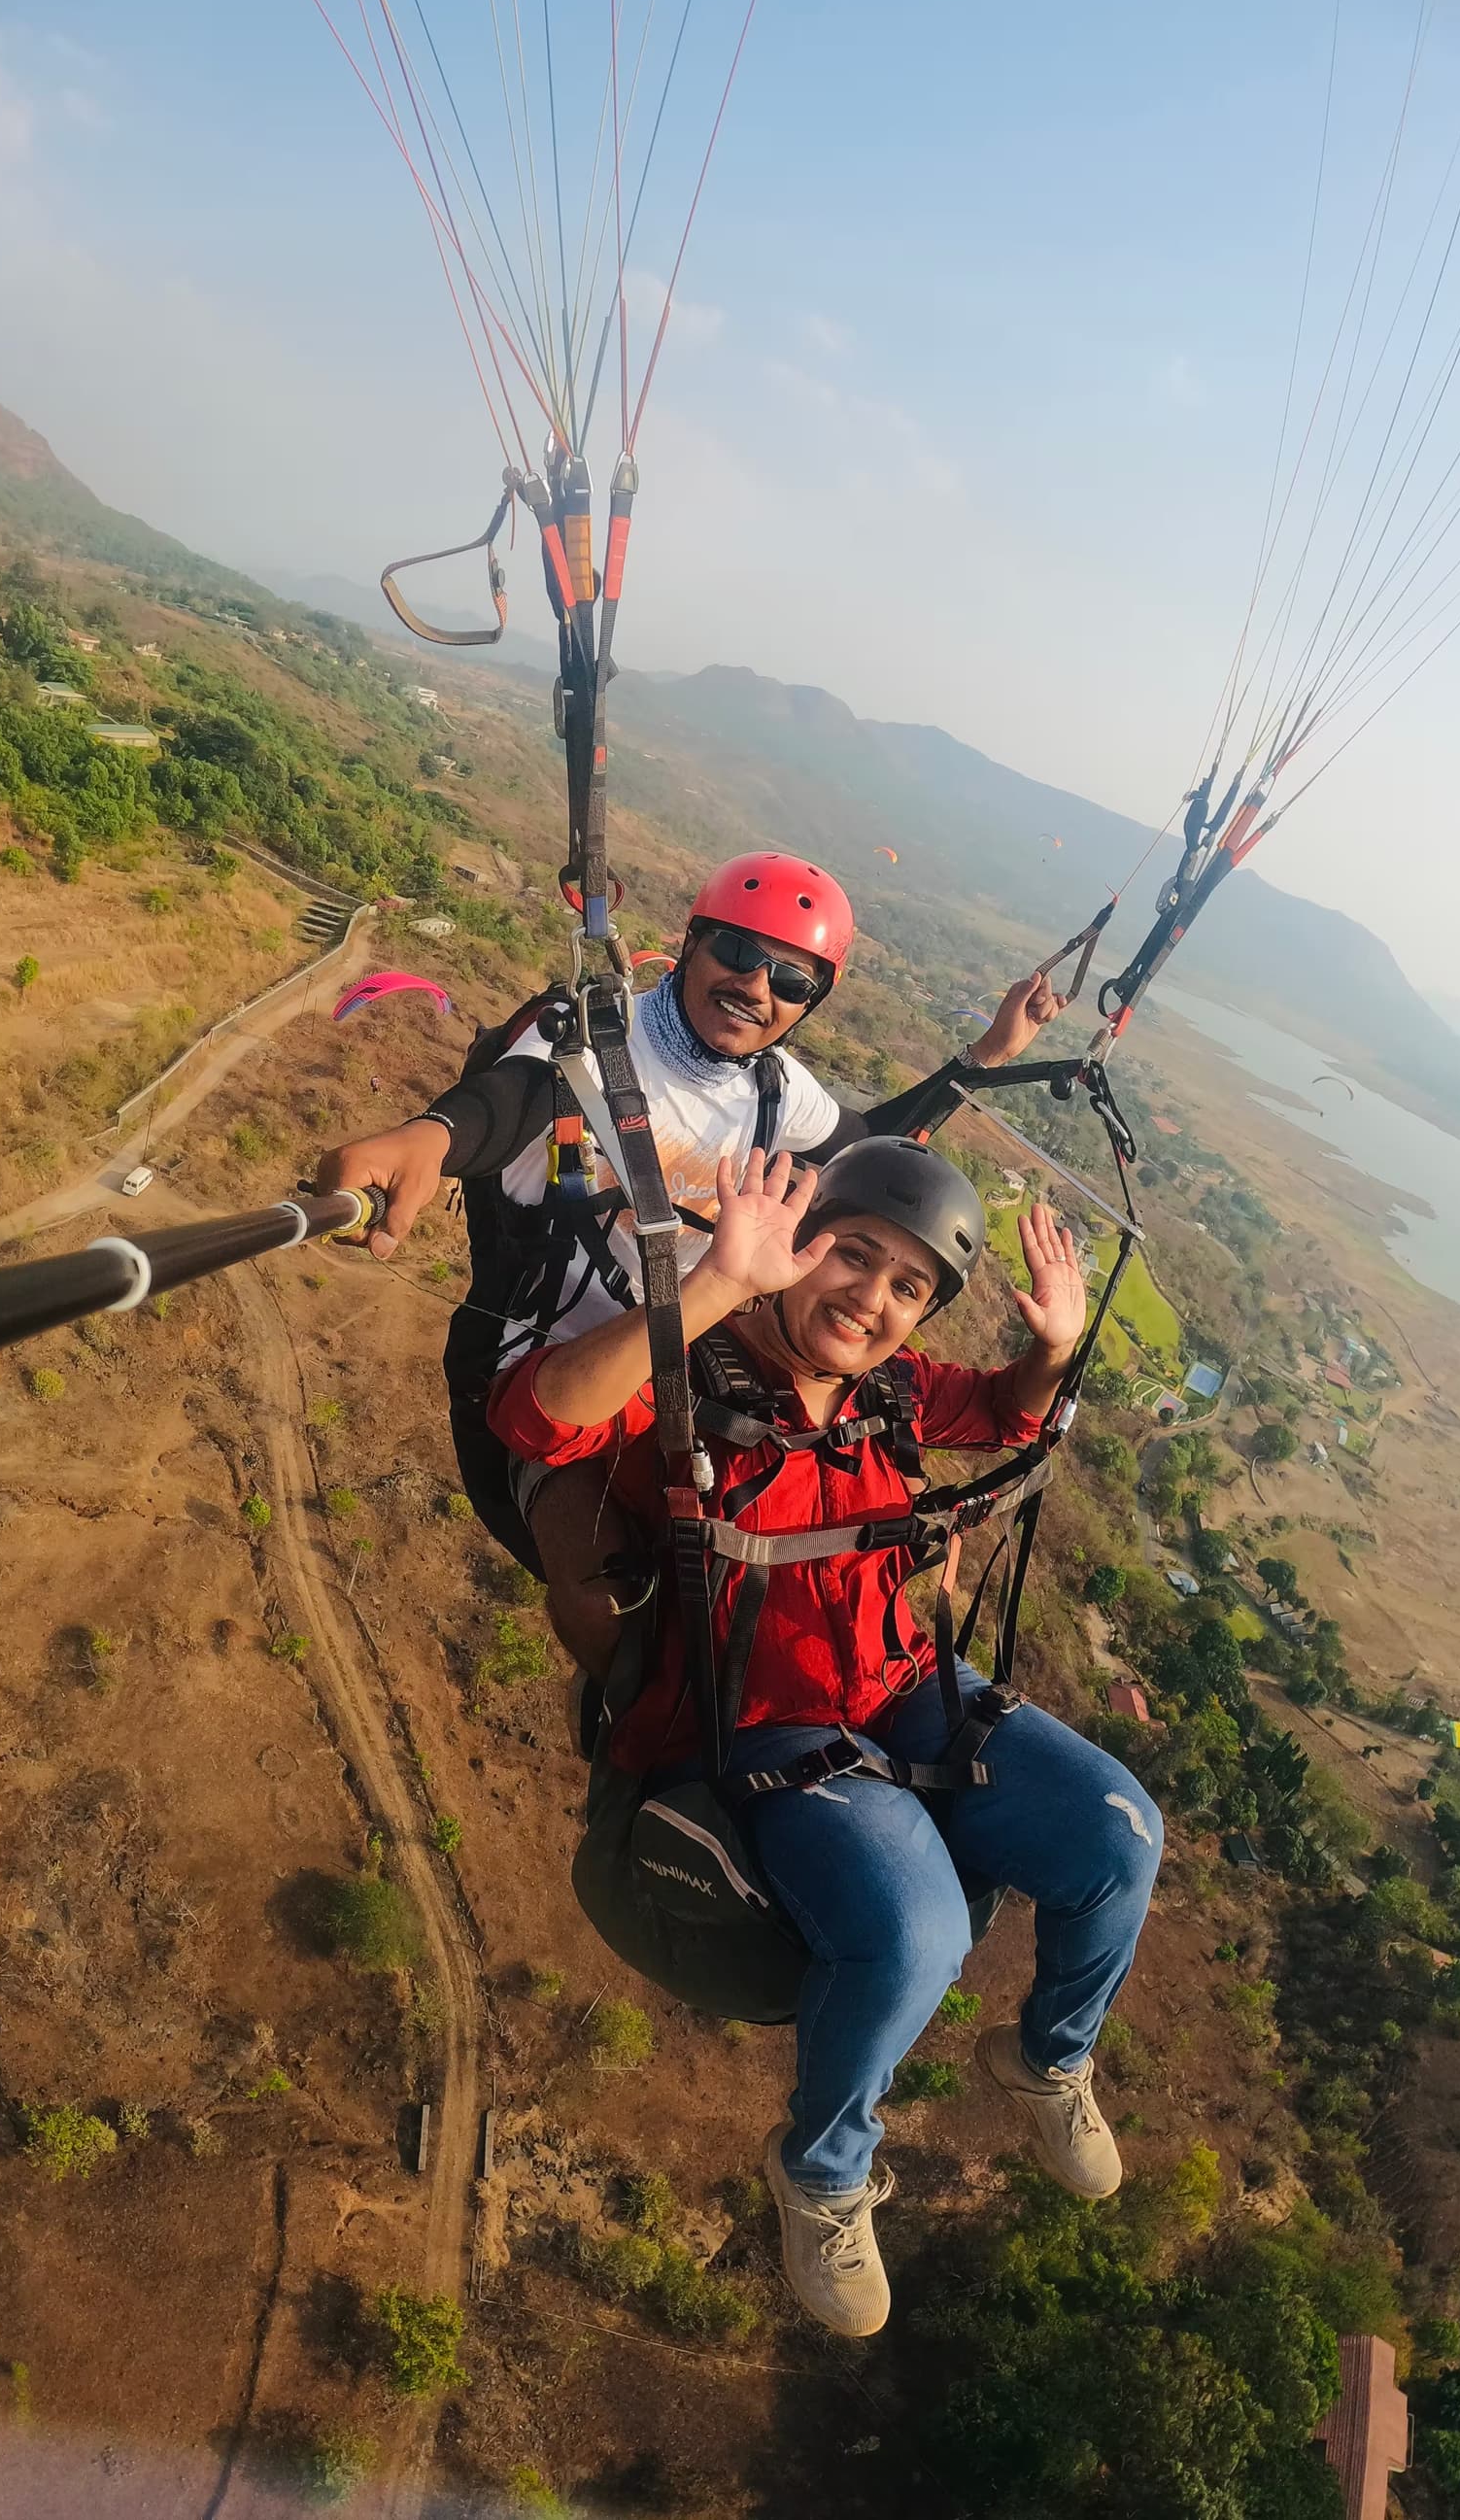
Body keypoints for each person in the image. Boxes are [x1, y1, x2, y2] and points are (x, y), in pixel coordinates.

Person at [487, 1138, 1165, 2337]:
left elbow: (1004, 1406)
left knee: (1119, 1833)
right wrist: (711, 1284)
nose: (871, 1298)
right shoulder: (685, 1371)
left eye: (906, 1287)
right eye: (853, 1257)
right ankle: (822, 2167)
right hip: (757, 1723)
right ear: (798, 1245)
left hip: (904, 1683)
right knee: (917, 1933)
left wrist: (1052, 1345)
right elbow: (536, 1420)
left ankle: (1048, 2055)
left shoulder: (885, 1394)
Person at [317, 852, 1070, 1659]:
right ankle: (645, 1755)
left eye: (791, 980)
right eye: (740, 953)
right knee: (615, 1595)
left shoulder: (777, 1091)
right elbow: (512, 1098)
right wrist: (431, 1137)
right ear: (693, 941)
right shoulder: (593, 1029)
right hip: (556, 1373)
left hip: (692, 1363)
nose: (756, 987)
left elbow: (878, 1151)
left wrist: (988, 1053)